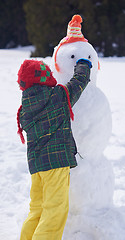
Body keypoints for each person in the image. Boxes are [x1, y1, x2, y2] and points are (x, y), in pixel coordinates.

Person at [17, 58, 92, 240]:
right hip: (55, 164)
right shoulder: (57, 96)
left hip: (36, 168)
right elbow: (78, 82)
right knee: (55, 210)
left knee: (37, 209)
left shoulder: (24, 109)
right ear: (45, 79)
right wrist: (83, 65)